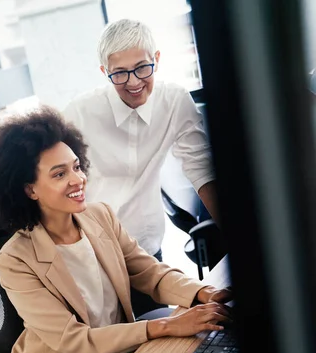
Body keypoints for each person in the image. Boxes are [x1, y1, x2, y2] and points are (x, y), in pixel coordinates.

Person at [0, 107, 232, 353]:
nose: (77, 180)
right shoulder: (14, 260)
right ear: (30, 190)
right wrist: (165, 325)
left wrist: (206, 293)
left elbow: (150, 273)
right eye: (59, 174)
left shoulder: (100, 217)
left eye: (76, 166)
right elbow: (74, 341)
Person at [63, 19, 218, 262]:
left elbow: (202, 170)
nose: (134, 82)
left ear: (156, 59)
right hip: (94, 253)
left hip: (147, 250)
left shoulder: (175, 101)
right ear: (105, 71)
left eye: (142, 67)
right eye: (120, 73)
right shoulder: (78, 114)